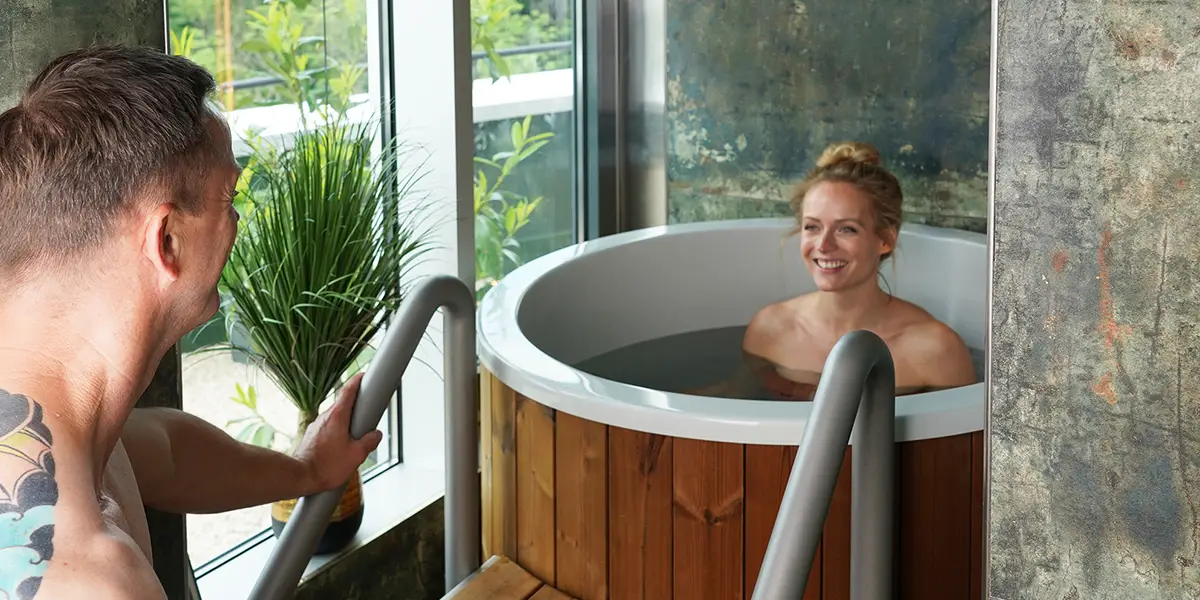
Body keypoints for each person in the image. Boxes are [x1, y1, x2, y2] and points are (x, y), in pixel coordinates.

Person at [0, 46, 383, 599]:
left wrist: (307, 472)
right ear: (167, 242)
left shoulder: (50, 420)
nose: (236, 223)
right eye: (228, 198)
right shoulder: (95, 584)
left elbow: (167, 452)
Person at [696, 141, 977, 400]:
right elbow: (738, 399)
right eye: (812, 227)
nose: (823, 245)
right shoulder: (771, 328)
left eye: (846, 229)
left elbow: (969, 437)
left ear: (885, 239)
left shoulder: (935, 350)